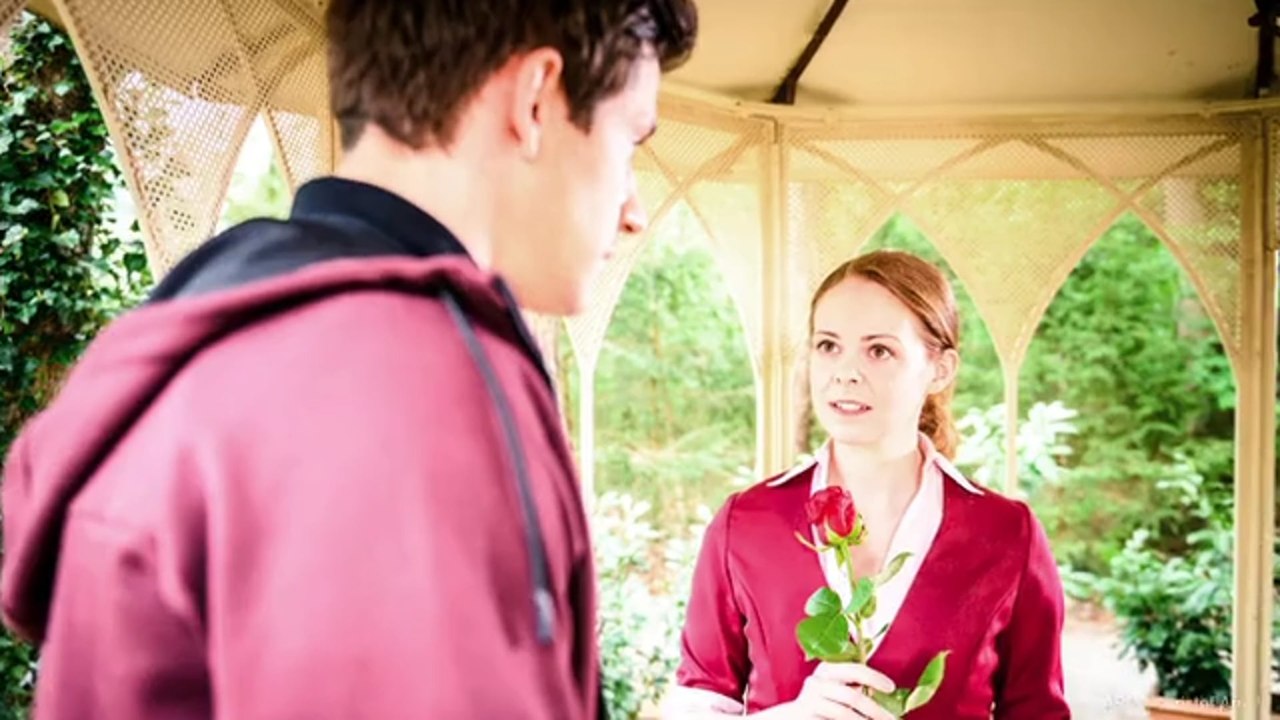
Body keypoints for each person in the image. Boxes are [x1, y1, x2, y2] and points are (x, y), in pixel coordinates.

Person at [0, 1, 697, 718]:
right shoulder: (409, 383)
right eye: (630, 141)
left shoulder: (215, 343)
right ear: (536, 99)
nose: (634, 209)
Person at [662, 250, 1070, 720]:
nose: (845, 372)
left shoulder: (1007, 534)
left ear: (940, 369)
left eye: (879, 350)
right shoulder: (745, 524)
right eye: (828, 345)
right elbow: (694, 706)